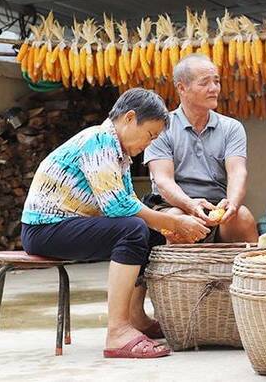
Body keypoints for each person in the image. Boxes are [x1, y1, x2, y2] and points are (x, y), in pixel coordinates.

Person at [21, 88, 211, 359]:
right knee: (133, 229)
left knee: (149, 232)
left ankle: (136, 318)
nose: (149, 143)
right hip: (44, 229)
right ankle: (117, 331)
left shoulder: (117, 152)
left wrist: (166, 226)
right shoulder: (98, 140)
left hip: (65, 227)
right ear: (130, 118)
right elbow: (118, 207)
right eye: (150, 135)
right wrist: (174, 222)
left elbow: (129, 201)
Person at [143, 54, 258, 243]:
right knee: (178, 220)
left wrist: (232, 204)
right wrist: (190, 204)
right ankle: (180, 273)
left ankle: (249, 271)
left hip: (217, 205)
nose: (214, 89)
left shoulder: (231, 127)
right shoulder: (162, 127)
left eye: (216, 81)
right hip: (174, 204)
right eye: (204, 83)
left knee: (243, 217)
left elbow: (238, 172)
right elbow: (163, 180)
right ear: (182, 88)